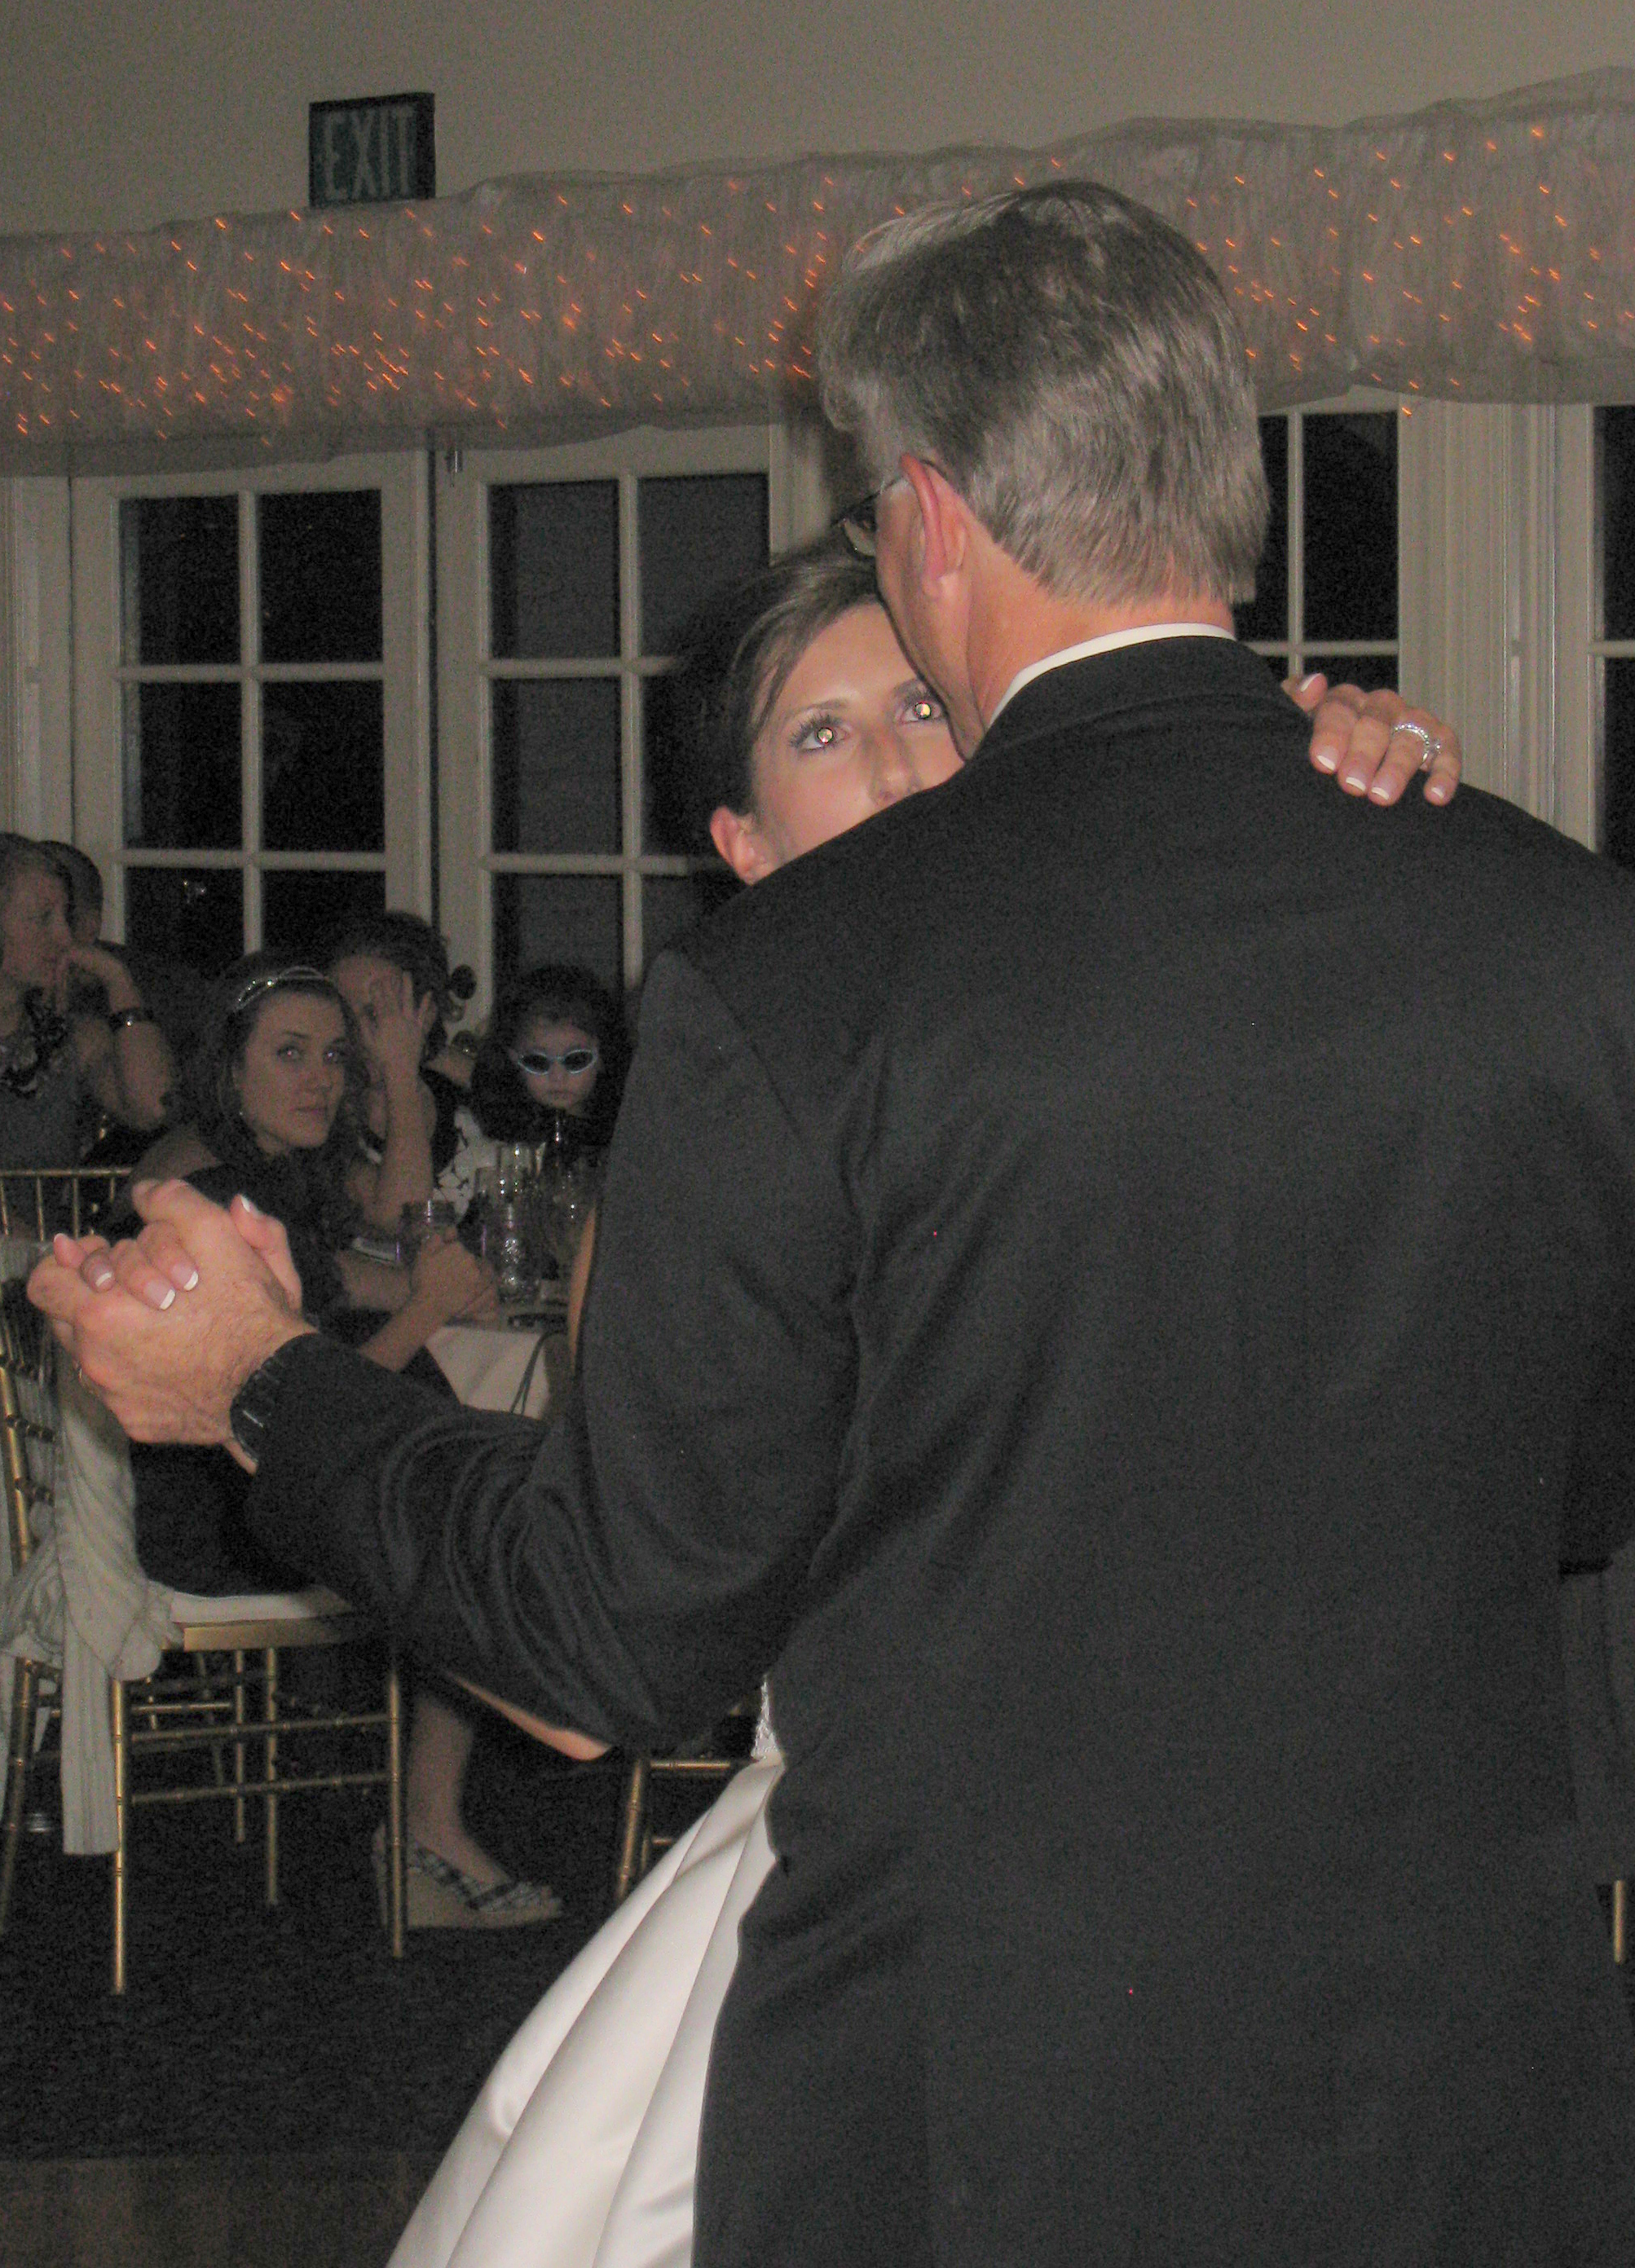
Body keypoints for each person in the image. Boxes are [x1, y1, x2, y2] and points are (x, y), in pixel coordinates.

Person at [37, 178, 1635, 2265]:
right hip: (1467, 2086)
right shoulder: (1566, 930)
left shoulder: (799, 988)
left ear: (930, 513)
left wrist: (264, 1382)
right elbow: (1578, 1482)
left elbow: (616, 1633)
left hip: (988, 2109)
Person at [385, 538, 1467, 2268]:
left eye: (919, 705)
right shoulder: (721, 1160)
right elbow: (625, 1632)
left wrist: (1337, 793)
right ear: (740, 847)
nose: (895, 762)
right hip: (901, 1915)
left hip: (1283, 1894)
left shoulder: (1157, 1020)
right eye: (820, 735)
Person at [121, 955, 560, 1927]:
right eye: (290, 1054)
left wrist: (425, 1289)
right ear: (229, 1068)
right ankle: (427, 1833)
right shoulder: (217, 1194)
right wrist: (426, 1306)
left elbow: (355, 1274)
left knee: (460, 1484)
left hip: (242, 1487)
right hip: (221, 1516)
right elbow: (291, 1411)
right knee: (466, 1529)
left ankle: (429, 1824)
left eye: (331, 1055)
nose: (320, 1077)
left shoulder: (260, 1173)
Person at [0, 835, 174, 1175]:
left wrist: (118, 979)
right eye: (43, 918)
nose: (65, 937)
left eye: (65, 917)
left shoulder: (68, 1038)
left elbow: (156, 1108)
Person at [323, 911, 475, 1236]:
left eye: (377, 1014)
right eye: (343, 1015)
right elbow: (403, 1216)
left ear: (427, 1013)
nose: (356, 1035)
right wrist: (400, 1071)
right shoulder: (322, 1114)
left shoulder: (465, 1100)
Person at [467, 964, 628, 1159]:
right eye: (538, 1062)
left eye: (576, 1060)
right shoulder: (500, 1140)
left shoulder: (625, 1131)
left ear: (603, 1056)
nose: (558, 1078)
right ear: (512, 1058)